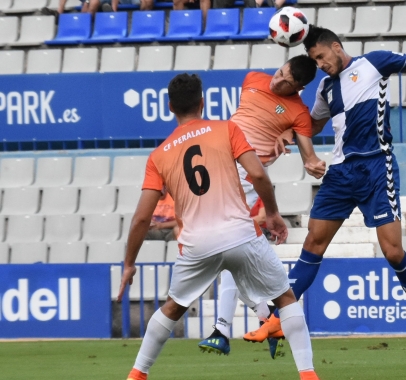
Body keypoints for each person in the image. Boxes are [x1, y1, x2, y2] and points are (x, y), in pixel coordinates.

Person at [242, 25, 406, 356]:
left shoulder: (373, 63)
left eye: (321, 57)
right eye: (315, 61)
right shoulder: (325, 89)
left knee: (392, 251)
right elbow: (312, 125)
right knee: (312, 244)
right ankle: (277, 317)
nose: (320, 64)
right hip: (341, 173)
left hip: (377, 167)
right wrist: (287, 135)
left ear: (335, 47)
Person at [120, 73, 319, 380]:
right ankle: (308, 375)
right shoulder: (227, 129)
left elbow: (141, 219)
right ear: (203, 102)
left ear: (170, 106)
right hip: (240, 234)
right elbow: (259, 175)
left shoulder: (158, 156)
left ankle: (137, 374)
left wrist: (129, 264)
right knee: (285, 298)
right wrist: (274, 213)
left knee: (171, 308)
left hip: (197, 245)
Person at [196, 55, 326, 358]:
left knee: (226, 253)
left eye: (287, 82)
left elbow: (309, 156)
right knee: (231, 256)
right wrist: (285, 130)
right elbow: (255, 117)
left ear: (300, 87)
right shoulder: (253, 78)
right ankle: (265, 316)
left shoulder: (298, 113)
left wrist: (313, 161)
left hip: (245, 180)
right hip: (217, 169)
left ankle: (224, 329)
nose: (277, 80)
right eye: (280, 72)